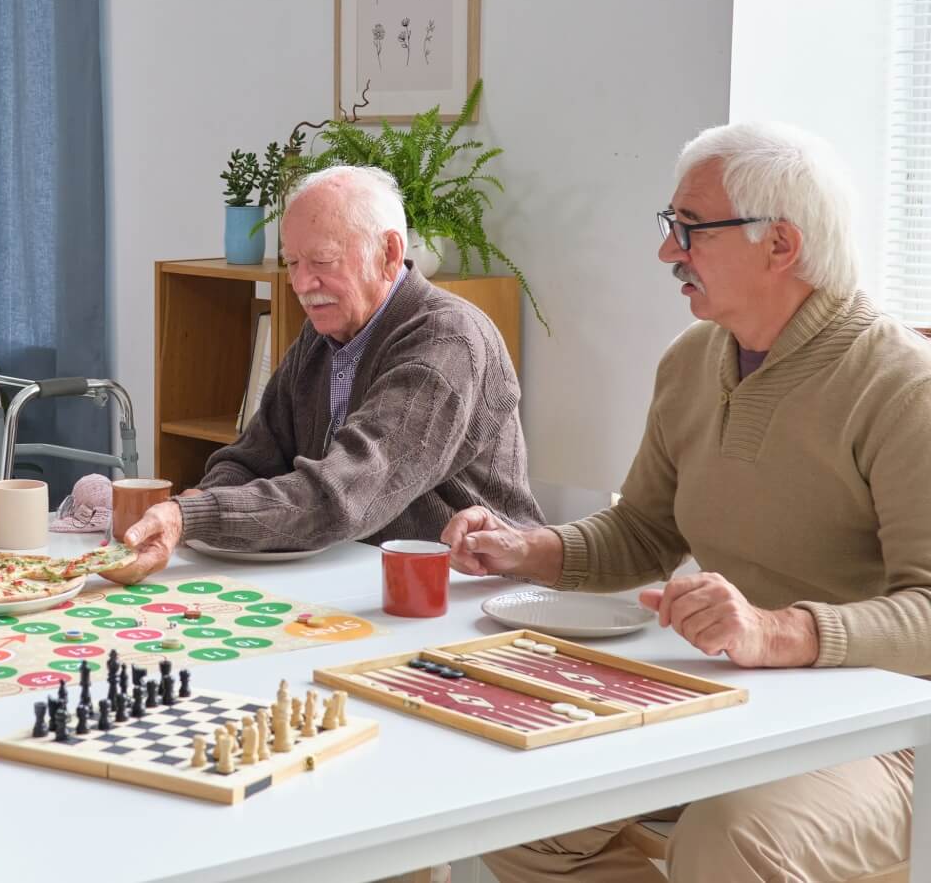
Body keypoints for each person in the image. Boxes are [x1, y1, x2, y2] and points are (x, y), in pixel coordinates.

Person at [443, 122, 931, 882]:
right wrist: (530, 549)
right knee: (518, 803)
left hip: (890, 733)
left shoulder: (903, 386)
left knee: (730, 837)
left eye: (691, 230)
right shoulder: (692, 361)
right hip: (730, 696)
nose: (668, 252)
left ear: (781, 246)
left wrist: (779, 633)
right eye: (672, 227)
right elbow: (645, 528)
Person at [108, 165, 540, 584]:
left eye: (323, 260)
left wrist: (193, 517)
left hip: (465, 591)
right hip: (352, 578)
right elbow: (254, 456)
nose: (301, 283)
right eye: (292, 262)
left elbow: (344, 494)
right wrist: (203, 500)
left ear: (388, 254)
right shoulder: (324, 333)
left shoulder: (447, 339)